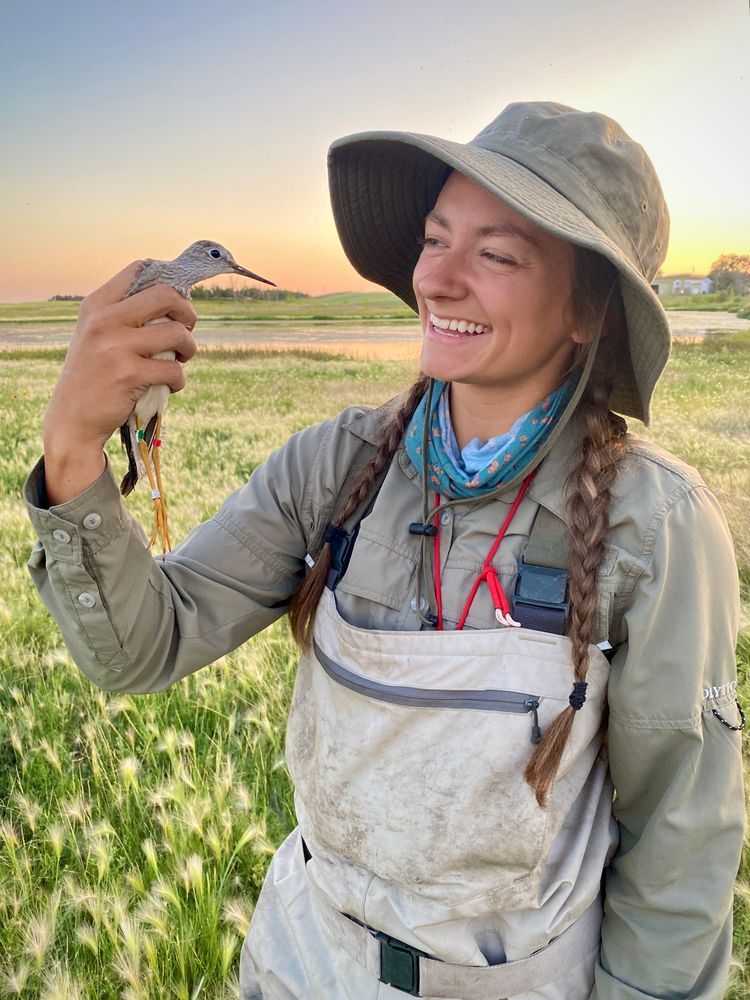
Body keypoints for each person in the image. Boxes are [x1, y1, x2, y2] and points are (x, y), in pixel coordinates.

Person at [24, 102, 744, 999]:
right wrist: (75, 453)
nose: (438, 281)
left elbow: (682, 841)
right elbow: (143, 647)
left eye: (497, 253)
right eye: (435, 238)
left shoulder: (654, 524)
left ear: (587, 310)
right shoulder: (335, 466)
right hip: (300, 963)